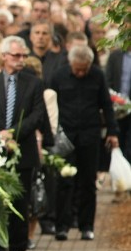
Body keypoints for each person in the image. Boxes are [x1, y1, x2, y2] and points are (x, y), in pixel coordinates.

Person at [0, 36, 48, 251]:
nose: (20, 60)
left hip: (23, 149)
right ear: (4, 56)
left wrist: (14, 133)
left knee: (20, 199)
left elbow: (38, 115)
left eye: (23, 55)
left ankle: (17, 249)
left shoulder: (33, 82)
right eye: (16, 55)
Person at [48, 45, 119, 240]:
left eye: (83, 69)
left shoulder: (97, 75)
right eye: (77, 69)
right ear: (71, 63)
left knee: (88, 182)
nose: (80, 73)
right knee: (64, 181)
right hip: (65, 135)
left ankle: (86, 225)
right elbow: (50, 103)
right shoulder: (59, 76)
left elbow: (106, 104)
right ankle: (62, 225)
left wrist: (112, 131)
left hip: (90, 134)